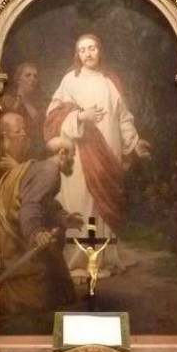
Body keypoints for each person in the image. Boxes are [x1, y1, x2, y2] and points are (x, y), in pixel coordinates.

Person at [44, 33, 150, 268]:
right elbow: (52, 116)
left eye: (92, 48)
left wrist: (135, 143)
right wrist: (81, 116)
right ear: (77, 55)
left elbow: (123, 117)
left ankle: (103, 260)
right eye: (82, 50)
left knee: (102, 206)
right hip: (79, 155)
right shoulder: (69, 81)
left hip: (108, 154)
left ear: (99, 51)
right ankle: (77, 261)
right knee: (79, 202)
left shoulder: (109, 81)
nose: (88, 53)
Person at [0, 135, 84, 325]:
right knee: (38, 294)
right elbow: (30, 205)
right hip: (15, 232)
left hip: (19, 226)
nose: (73, 159)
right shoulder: (49, 171)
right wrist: (36, 231)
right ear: (62, 153)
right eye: (72, 154)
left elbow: (45, 202)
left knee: (55, 280)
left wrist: (62, 217)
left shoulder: (42, 168)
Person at [0, 62, 46, 153]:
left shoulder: (41, 103)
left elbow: (40, 125)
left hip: (34, 149)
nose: (32, 79)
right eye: (28, 75)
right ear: (18, 79)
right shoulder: (6, 100)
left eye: (35, 76)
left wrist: (25, 101)